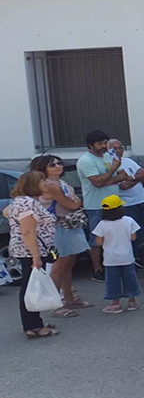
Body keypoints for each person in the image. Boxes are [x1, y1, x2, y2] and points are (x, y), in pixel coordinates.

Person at [33, 155, 93, 317]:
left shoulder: (61, 182)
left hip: (70, 225)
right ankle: (54, 303)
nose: (57, 166)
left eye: (59, 163)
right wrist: (75, 202)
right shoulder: (49, 185)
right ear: (43, 168)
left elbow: (74, 202)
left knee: (69, 263)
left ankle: (68, 298)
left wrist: (75, 202)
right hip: (59, 227)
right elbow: (71, 203)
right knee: (59, 265)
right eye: (52, 165)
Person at [5, 172, 59, 339]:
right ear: (33, 184)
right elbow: (27, 231)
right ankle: (33, 326)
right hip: (30, 251)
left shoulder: (21, 201)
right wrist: (36, 256)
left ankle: (35, 322)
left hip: (27, 249)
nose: (45, 183)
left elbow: (7, 212)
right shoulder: (27, 203)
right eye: (42, 180)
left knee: (31, 286)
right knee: (30, 287)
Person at [77, 130, 129, 282]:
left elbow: (124, 175)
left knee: (116, 235)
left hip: (115, 203)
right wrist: (113, 172)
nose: (104, 146)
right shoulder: (86, 160)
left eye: (105, 143)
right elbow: (97, 182)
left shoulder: (108, 155)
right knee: (97, 239)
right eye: (100, 143)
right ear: (90, 145)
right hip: (96, 205)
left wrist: (108, 180)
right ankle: (97, 269)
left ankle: (115, 266)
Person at [92, 195, 141, 314]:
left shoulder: (102, 224)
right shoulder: (128, 221)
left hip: (110, 258)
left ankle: (115, 304)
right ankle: (132, 301)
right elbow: (134, 237)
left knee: (113, 280)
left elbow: (98, 242)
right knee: (129, 277)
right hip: (127, 256)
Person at [109, 139, 144, 256]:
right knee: (132, 232)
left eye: (120, 148)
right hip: (127, 204)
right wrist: (137, 177)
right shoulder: (110, 165)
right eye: (114, 149)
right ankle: (136, 256)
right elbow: (124, 186)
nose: (118, 151)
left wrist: (131, 177)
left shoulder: (128, 161)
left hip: (140, 200)